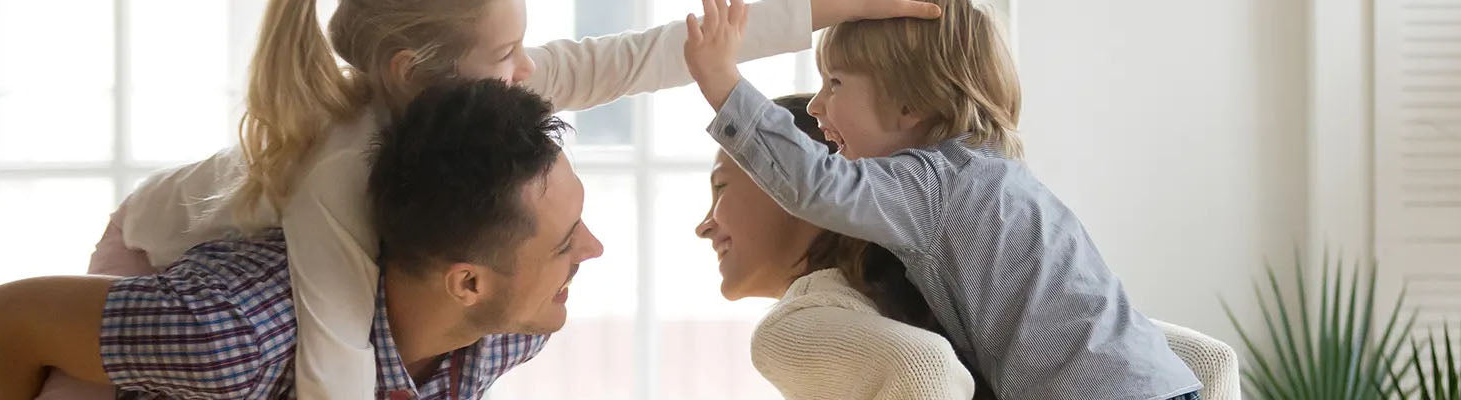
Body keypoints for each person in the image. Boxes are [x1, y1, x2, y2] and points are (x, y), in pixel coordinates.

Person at [83, 0, 945, 398]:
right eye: (507, 54)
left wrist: (838, 7)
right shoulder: (338, 172)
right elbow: (336, 356)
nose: (529, 71)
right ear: (411, 75)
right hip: (149, 250)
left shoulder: (478, 97)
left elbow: (643, 55)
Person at [680, 0, 1204, 398]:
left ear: (910, 104)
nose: (817, 106)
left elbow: (816, 186)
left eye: (835, 83)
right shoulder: (994, 169)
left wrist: (722, 83)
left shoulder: (931, 185)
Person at [0, 80, 597, 400]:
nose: (593, 250)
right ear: (467, 282)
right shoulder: (228, 336)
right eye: (566, 243)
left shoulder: (506, 330)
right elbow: (5, 317)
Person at [695, 94, 989, 400]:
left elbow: (923, 366)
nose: (703, 226)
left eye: (721, 187)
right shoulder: (900, 300)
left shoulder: (790, 327)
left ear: (793, 186)